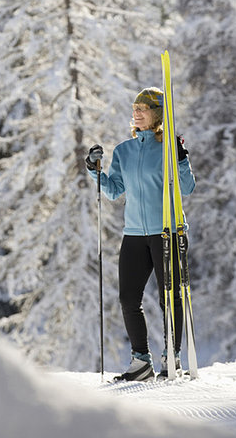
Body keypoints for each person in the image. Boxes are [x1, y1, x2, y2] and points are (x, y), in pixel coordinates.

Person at [85, 87, 195, 381]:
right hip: (134, 233)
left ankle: (172, 356)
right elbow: (113, 190)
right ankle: (141, 361)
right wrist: (95, 169)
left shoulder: (169, 147)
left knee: (169, 298)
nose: (136, 113)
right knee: (128, 298)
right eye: (134, 108)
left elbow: (187, 188)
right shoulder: (124, 150)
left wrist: (182, 159)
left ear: (157, 113)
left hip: (167, 232)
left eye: (143, 108)